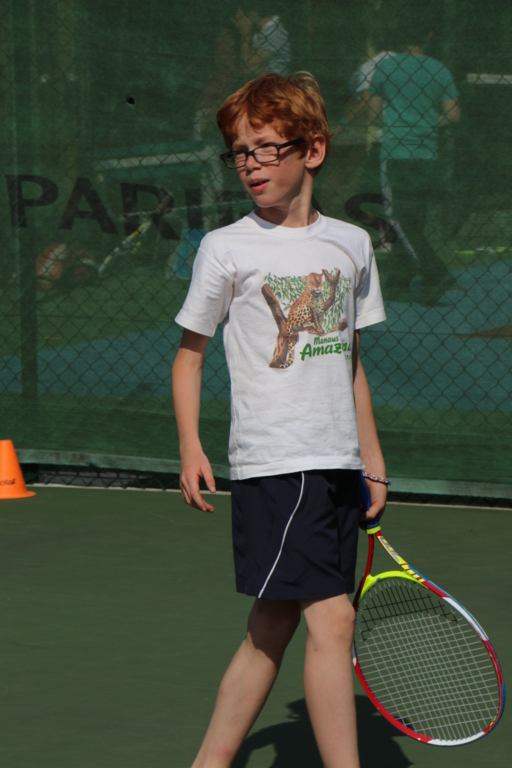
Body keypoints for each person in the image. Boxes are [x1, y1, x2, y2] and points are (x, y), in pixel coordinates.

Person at [172, 72, 388, 768]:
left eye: (266, 148)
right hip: (276, 465)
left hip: (336, 465)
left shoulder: (351, 244)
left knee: (271, 624)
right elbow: (188, 358)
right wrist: (190, 446)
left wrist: (371, 460)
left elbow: (349, 359)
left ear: (313, 150)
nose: (250, 164)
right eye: (240, 152)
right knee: (334, 618)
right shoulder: (226, 247)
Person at [362, 10, 461, 305]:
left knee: (397, 217)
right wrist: (426, 123)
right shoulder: (439, 69)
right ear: (428, 37)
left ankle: (433, 271)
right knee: (415, 217)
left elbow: (373, 114)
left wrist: (398, 124)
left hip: (396, 150)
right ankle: (402, 279)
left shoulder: (387, 68)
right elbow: (453, 115)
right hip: (427, 153)